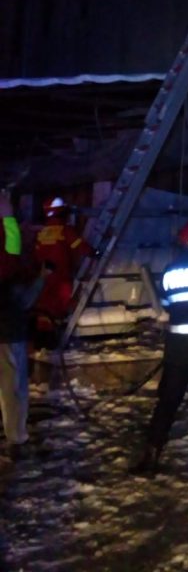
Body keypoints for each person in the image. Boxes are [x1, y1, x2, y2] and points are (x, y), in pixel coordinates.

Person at [130, 218, 188, 476]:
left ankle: (152, 454)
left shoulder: (170, 271)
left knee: (167, 403)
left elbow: (167, 306)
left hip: (178, 348)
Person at [0, 192, 49, 462]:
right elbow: (12, 249)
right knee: (13, 388)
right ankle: (16, 439)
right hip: (7, 332)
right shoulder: (9, 264)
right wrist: (7, 215)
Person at [32, 196, 96, 346]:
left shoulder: (43, 232)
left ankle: (41, 340)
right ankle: (53, 339)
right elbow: (79, 246)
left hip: (44, 276)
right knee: (60, 306)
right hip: (61, 276)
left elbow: (36, 254)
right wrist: (94, 253)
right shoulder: (65, 230)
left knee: (45, 306)